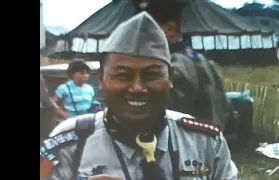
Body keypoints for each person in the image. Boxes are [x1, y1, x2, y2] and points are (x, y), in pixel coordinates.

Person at [43, 12, 240, 180]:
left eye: (152, 75)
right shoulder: (69, 143)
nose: (138, 88)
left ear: (170, 78)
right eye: (123, 75)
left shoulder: (205, 142)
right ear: (101, 80)